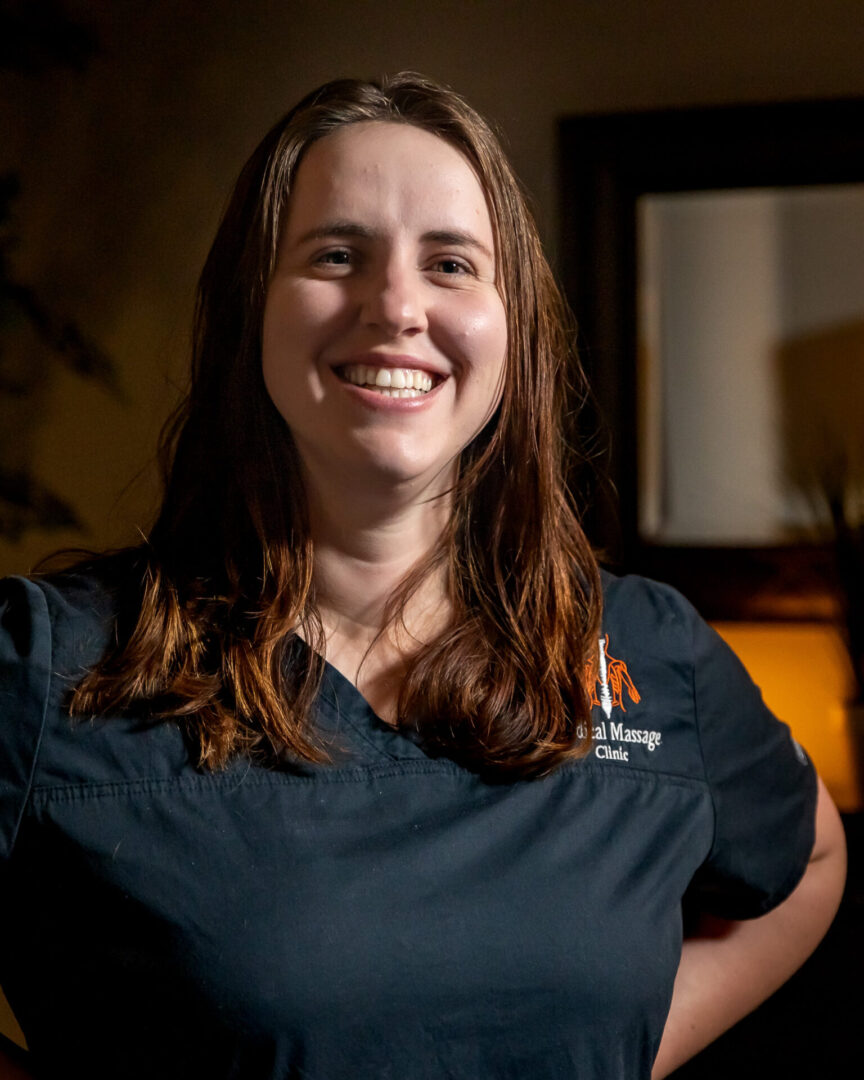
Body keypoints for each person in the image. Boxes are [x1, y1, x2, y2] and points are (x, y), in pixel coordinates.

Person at [0, 73, 846, 1079]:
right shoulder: (52, 670)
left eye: (450, 263)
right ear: (249, 310)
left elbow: (812, 863)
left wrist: (611, 1055)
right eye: (336, 255)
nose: (396, 305)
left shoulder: (647, 649)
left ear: (511, 326)